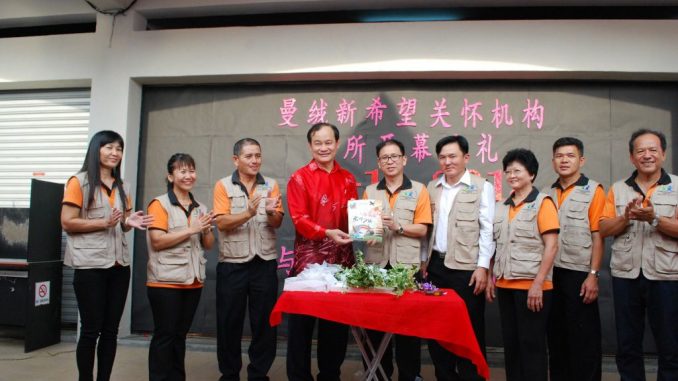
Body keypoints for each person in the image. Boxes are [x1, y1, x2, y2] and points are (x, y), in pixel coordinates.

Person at [61, 130, 153, 381]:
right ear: (96, 150)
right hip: (89, 266)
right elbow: (68, 222)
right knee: (91, 330)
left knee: (111, 331)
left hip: (119, 265)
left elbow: (120, 223)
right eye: (109, 147)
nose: (115, 153)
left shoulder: (123, 186)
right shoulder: (78, 182)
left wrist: (127, 222)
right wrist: (105, 223)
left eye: (119, 149)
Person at [599, 129, 678, 381]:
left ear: (663, 154)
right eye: (640, 151)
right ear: (632, 157)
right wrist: (625, 217)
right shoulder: (618, 188)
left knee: (670, 345)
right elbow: (603, 229)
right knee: (628, 344)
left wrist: (655, 218)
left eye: (653, 150)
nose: (647, 155)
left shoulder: (677, 186)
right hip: (626, 275)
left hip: (666, 276)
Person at [286, 122, 358, 381]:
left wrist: (368, 229)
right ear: (310, 145)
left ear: (337, 144)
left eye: (329, 142)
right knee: (301, 328)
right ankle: (299, 377)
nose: (324, 147)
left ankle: (330, 375)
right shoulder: (299, 177)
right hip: (309, 263)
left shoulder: (348, 178)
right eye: (318, 143)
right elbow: (299, 219)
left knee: (336, 327)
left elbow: (354, 217)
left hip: (341, 263)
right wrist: (326, 232)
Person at [423, 135, 494, 381]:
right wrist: (424, 261)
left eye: (452, 156)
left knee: (469, 330)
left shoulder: (482, 186)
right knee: (437, 328)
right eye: (442, 157)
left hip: (466, 269)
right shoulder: (432, 187)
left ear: (466, 157)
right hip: (435, 268)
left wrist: (482, 267)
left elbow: (487, 230)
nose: (447, 161)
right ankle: (445, 376)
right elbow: (427, 229)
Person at [213, 138, 284, 381]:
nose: (255, 160)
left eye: (258, 156)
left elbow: (277, 223)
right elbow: (221, 222)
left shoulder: (271, 185)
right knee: (228, 322)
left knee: (265, 324)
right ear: (236, 160)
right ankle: (230, 374)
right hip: (232, 264)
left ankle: (258, 374)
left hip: (264, 262)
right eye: (249, 156)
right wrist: (249, 212)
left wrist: (272, 213)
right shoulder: (223, 186)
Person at [486, 148, 559, 381]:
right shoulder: (501, 207)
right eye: (508, 171)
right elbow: (494, 247)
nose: (511, 175)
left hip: (533, 288)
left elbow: (552, 246)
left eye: (517, 170)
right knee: (512, 344)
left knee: (532, 345)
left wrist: (538, 284)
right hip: (506, 286)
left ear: (532, 174)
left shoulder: (543, 203)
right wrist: (490, 278)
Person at [362, 138, 432, 381]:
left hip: (406, 268)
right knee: (374, 328)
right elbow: (365, 234)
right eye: (384, 158)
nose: (390, 161)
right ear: (379, 163)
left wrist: (398, 227)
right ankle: (379, 374)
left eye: (394, 156)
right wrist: (371, 233)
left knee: (408, 329)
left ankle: (410, 375)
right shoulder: (370, 191)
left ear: (404, 159)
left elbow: (423, 229)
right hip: (376, 268)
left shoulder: (419, 190)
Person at [145, 153, 215, 381]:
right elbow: (157, 241)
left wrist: (206, 229)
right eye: (183, 171)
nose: (189, 176)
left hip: (193, 281)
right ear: (170, 175)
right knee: (165, 335)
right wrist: (191, 229)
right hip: (164, 281)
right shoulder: (159, 204)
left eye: (192, 171)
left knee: (180, 336)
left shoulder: (200, 206)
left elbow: (209, 245)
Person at [545, 137, 604, 381]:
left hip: (579, 274)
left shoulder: (594, 190)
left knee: (584, 338)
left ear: (581, 160)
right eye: (560, 156)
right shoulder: (546, 193)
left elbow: (598, 236)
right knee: (556, 336)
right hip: (550, 274)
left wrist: (593, 275)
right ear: (553, 161)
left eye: (570, 156)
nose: (564, 160)